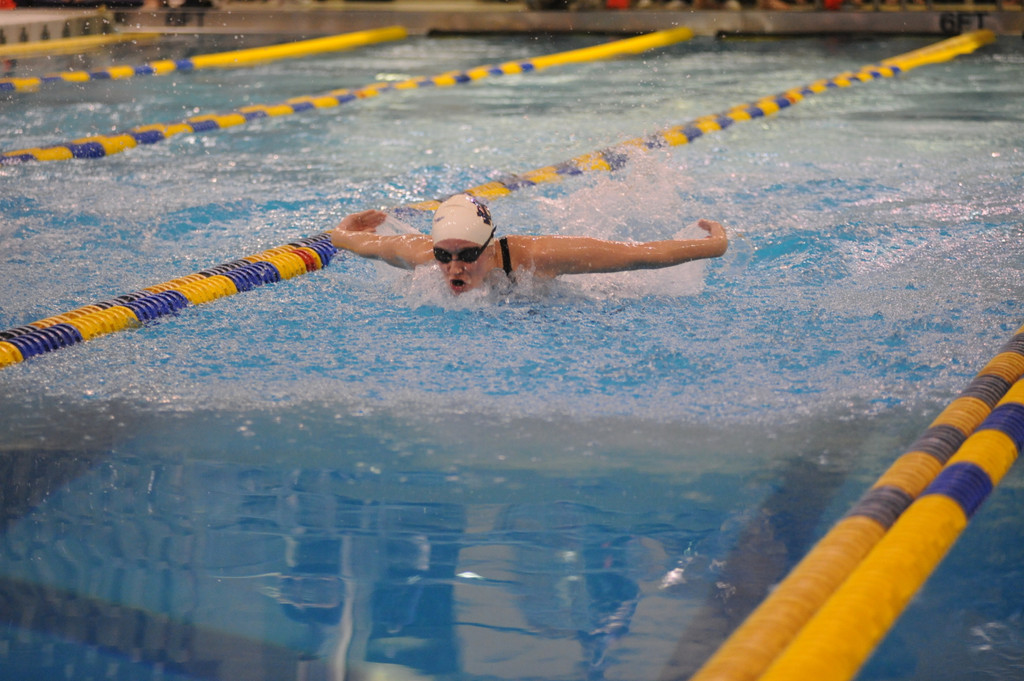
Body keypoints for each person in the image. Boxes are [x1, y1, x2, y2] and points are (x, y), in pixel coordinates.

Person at [330, 194, 728, 296]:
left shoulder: (538, 257)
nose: (454, 268)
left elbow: (638, 257)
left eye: (467, 255)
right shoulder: (419, 254)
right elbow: (352, 241)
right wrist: (346, 229)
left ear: (488, 247)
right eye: (443, 256)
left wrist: (715, 246)